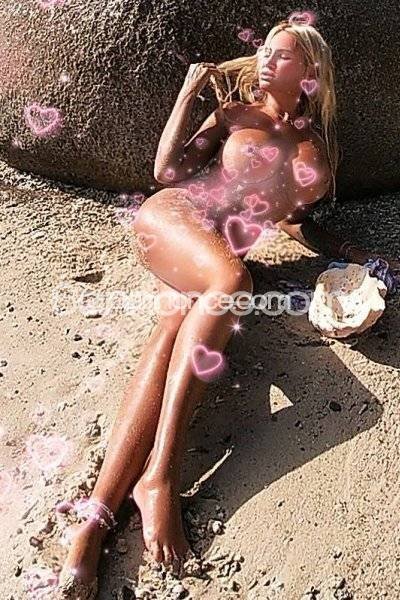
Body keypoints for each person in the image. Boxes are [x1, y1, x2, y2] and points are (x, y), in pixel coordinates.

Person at [56, 18, 400, 599]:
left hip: (212, 263)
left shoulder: (316, 147)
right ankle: (161, 475)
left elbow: (292, 221)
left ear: (310, 69)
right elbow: (166, 174)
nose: (265, 60)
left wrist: (354, 253)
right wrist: (189, 94)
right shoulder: (235, 114)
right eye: (263, 50)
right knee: (233, 277)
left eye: (281, 54)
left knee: (173, 329)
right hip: (177, 219)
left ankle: (93, 523)